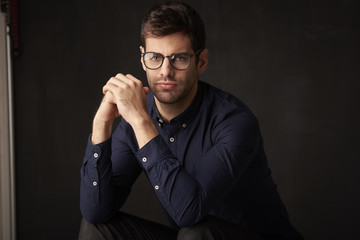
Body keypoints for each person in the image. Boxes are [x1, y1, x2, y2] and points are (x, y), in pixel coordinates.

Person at [78, 1, 303, 239]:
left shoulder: (234, 121)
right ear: (143, 58)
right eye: (155, 57)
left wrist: (141, 122)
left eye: (179, 58)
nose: (165, 71)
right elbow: (96, 212)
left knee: (195, 233)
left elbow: (188, 213)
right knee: (96, 229)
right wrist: (101, 125)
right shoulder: (139, 116)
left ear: (201, 61)